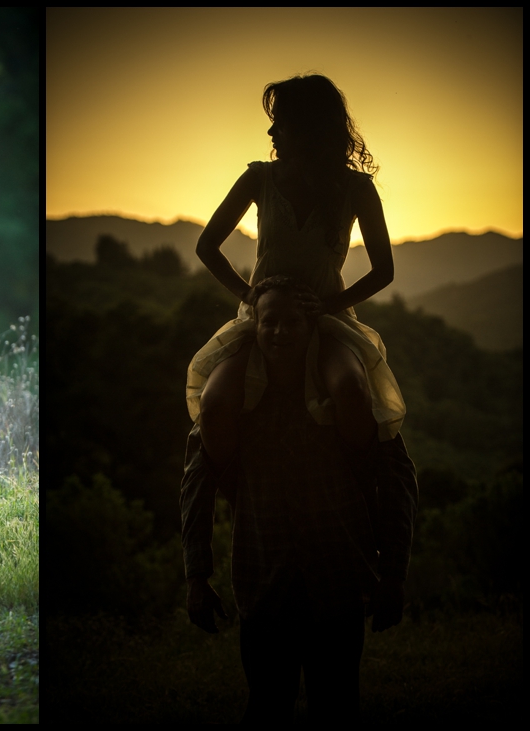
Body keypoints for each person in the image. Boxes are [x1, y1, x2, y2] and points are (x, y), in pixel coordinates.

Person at [179, 74, 419, 723]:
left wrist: (330, 307)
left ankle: (362, 492)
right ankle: (229, 485)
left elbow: (383, 269)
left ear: (310, 128)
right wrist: (249, 298)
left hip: (321, 316)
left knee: (348, 389)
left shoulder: (354, 188)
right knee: (216, 406)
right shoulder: (257, 176)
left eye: (279, 121)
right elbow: (207, 245)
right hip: (262, 315)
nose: (270, 132)